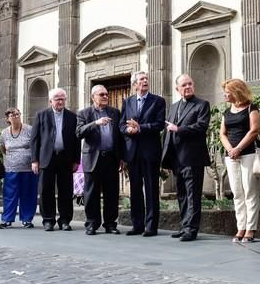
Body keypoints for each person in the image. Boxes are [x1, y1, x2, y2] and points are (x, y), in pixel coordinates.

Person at [162, 74, 211, 242]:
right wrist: (166, 156)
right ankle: (184, 226)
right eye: (184, 85)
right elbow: (168, 132)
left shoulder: (202, 105)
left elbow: (201, 126)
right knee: (181, 194)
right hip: (176, 159)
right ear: (177, 89)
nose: (188, 86)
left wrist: (179, 129)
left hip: (193, 158)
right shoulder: (174, 107)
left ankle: (192, 229)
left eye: (190, 83)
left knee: (193, 195)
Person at [120, 71, 166, 237]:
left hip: (150, 151)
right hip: (132, 152)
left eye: (146, 78)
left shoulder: (158, 101)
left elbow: (160, 124)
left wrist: (141, 127)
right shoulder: (128, 102)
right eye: (141, 79)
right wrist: (128, 129)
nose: (145, 81)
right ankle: (137, 225)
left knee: (152, 189)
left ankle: (151, 226)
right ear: (134, 84)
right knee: (135, 189)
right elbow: (121, 125)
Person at [30, 88, 80, 232]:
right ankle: (48, 220)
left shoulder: (72, 116)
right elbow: (35, 140)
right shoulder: (41, 115)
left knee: (66, 190)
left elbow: (76, 140)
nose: (60, 101)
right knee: (46, 190)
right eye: (57, 98)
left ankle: (64, 220)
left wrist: (76, 160)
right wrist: (34, 160)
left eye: (62, 98)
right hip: (46, 157)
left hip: (65, 157)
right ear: (50, 101)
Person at [76, 85, 123, 236]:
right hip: (93, 158)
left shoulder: (115, 112)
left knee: (112, 192)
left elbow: (120, 137)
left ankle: (110, 224)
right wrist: (95, 123)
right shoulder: (84, 113)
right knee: (91, 193)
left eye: (106, 94)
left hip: (111, 158)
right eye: (101, 94)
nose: (105, 97)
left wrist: (121, 157)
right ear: (93, 97)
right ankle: (92, 223)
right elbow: (78, 132)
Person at [219, 79, 260, 243]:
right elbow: (222, 133)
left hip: (247, 154)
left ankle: (251, 229)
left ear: (236, 91)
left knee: (250, 191)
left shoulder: (252, 107)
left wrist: (239, 149)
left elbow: (254, 130)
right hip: (231, 156)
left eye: (227, 91)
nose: (225, 94)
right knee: (237, 193)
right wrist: (230, 149)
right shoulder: (227, 111)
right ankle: (241, 227)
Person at [0, 107, 38, 229]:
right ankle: (7, 219)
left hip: (28, 168)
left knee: (28, 193)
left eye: (17, 114)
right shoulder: (4, 133)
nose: (15, 116)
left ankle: (27, 219)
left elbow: (35, 146)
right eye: (12, 115)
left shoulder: (29, 130)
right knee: (10, 194)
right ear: (7, 118)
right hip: (11, 168)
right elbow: (2, 148)